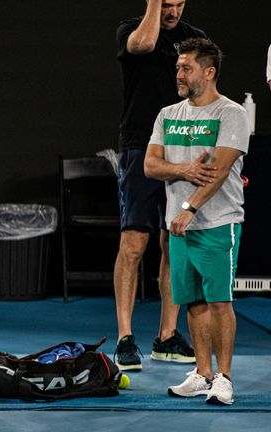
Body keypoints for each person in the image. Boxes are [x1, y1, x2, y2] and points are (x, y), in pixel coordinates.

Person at [144, 37, 249, 406]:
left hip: (217, 222)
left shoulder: (231, 113)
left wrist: (189, 207)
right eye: (177, 67)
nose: (179, 73)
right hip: (179, 226)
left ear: (209, 71)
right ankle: (202, 373)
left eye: (186, 67)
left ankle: (224, 378)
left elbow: (218, 171)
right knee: (194, 302)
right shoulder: (167, 114)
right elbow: (150, 165)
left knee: (219, 301)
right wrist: (184, 170)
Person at [113, 0, 204, 370]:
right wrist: (155, 5)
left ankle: (167, 336)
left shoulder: (194, 38)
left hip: (182, 148)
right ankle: (124, 338)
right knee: (134, 243)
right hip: (139, 147)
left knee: (174, 242)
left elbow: (203, 93)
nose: (173, 11)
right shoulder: (130, 31)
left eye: (179, 4)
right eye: (166, 4)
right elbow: (145, 45)